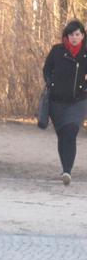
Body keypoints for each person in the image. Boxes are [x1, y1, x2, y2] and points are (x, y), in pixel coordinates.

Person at [43, 19, 87, 186]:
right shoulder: (57, 51)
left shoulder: (85, 53)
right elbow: (47, 69)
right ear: (66, 36)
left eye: (77, 34)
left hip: (79, 101)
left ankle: (67, 171)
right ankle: (65, 168)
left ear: (83, 35)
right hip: (57, 101)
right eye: (71, 34)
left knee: (71, 132)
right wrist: (50, 82)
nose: (74, 38)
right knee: (62, 136)